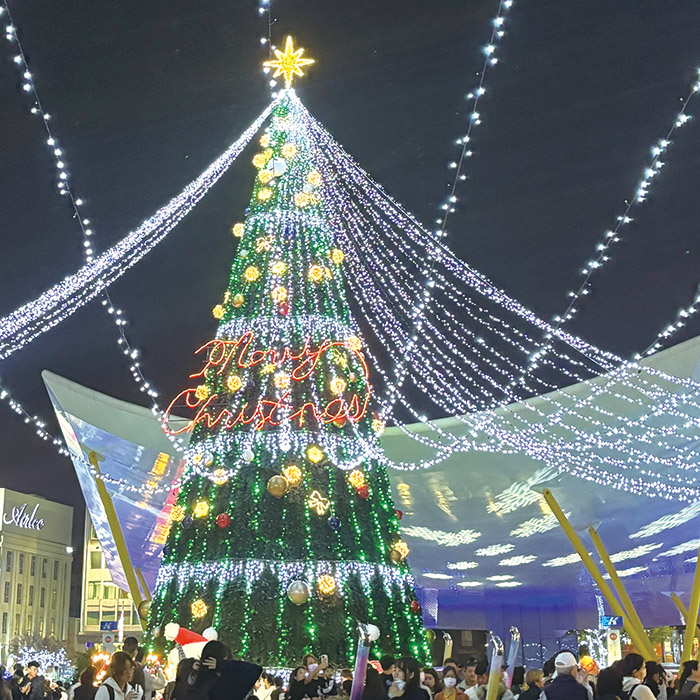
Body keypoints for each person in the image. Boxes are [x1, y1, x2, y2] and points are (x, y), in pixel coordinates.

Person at [184, 640, 261, 700]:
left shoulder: (192, 685)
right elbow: (255, 669)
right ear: (224, 658)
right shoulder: (228, 685)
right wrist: (222, 665)